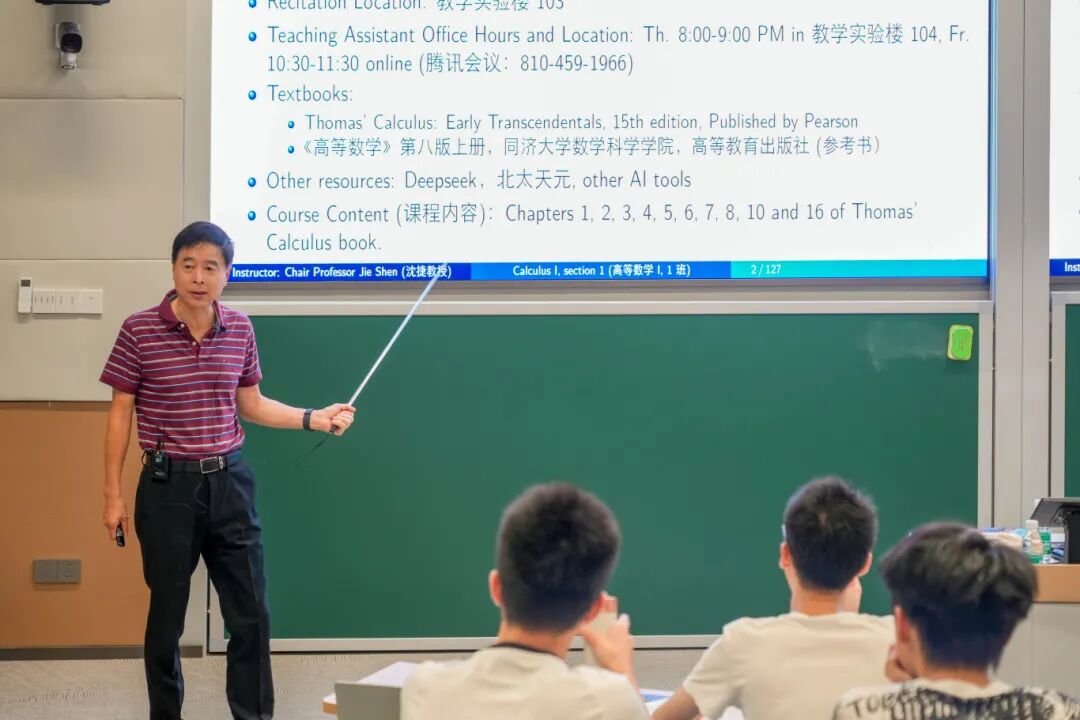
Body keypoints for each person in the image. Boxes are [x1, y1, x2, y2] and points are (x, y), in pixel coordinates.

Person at [100, 221, 355, 720]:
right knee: (167, 619)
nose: (198, 277)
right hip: (167, 487)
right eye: (188, 265)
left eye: (210, 267)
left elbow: (252, 404)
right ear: (173, 269)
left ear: (227, 273)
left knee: (251, 615)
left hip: (230, 483)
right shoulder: (139, 329)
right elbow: (119, 414)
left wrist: (314, 418)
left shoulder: (239, 327)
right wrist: (112, 495)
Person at [401, 483, 648, 720]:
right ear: (593, 610)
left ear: (496, 587)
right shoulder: (608, 702)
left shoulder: (424, 687)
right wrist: (621, 669)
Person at [654, 476, 893, 720]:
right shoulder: (898, 646)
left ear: (785, 554)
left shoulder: (742, 644)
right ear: (865, 564)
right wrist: (848, 617)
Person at [834, 523, 1080, 720]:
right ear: (1007, 633)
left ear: (903, 627)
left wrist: (911, 689)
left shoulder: (862, 711)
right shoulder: (1059, 711)